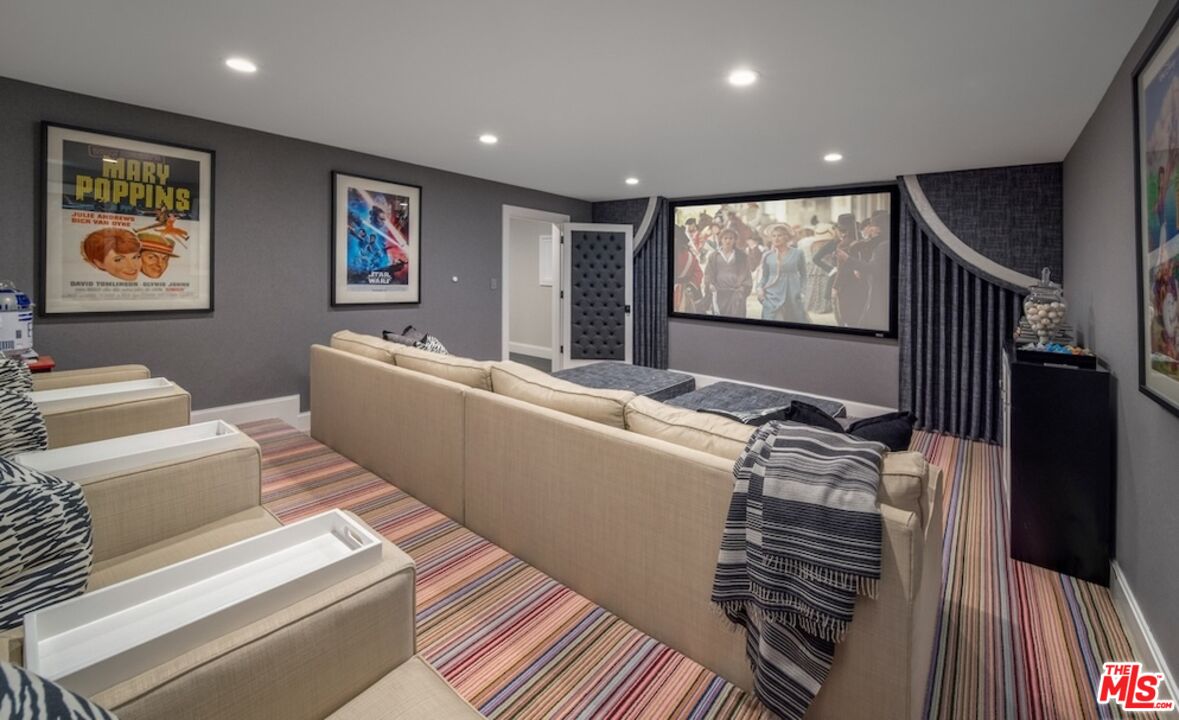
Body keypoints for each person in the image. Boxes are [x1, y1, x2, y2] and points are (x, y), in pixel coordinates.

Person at [757, 224, 806, 323]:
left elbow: (804, 275)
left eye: (779, 235)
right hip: (772, 295)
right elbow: (764, 277)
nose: (776, 238)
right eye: (773, 236)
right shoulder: (767, 255)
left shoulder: (798, 253)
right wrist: (760, 288)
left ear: (786, 237)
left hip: (793, 295)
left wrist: (802, 291)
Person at [704, 227, 752, 317]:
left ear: (735, 240)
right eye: (725, 238)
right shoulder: (714, 256)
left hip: (736, 293)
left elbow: (747, 274)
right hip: (719, 293)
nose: (728, 241)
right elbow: (708, 273)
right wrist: (710, 284)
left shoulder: (741, 256)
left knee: (735, 320)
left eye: (731, 238)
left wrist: (742, 289)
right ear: (720, 240)